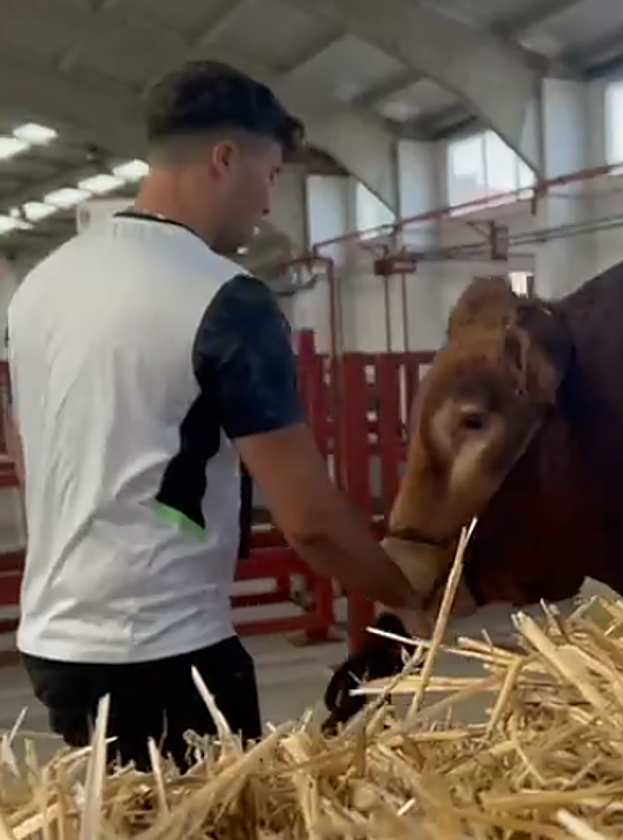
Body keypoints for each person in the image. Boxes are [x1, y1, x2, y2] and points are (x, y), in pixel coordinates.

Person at [1, 60, 425, 772]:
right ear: (225, 159)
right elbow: (311, 522)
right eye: (270, 175)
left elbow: (25, 443)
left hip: (56, 646)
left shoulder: (42, 284)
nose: (267, 204)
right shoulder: (226, 298)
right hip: (166, 652)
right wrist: (405, 596)